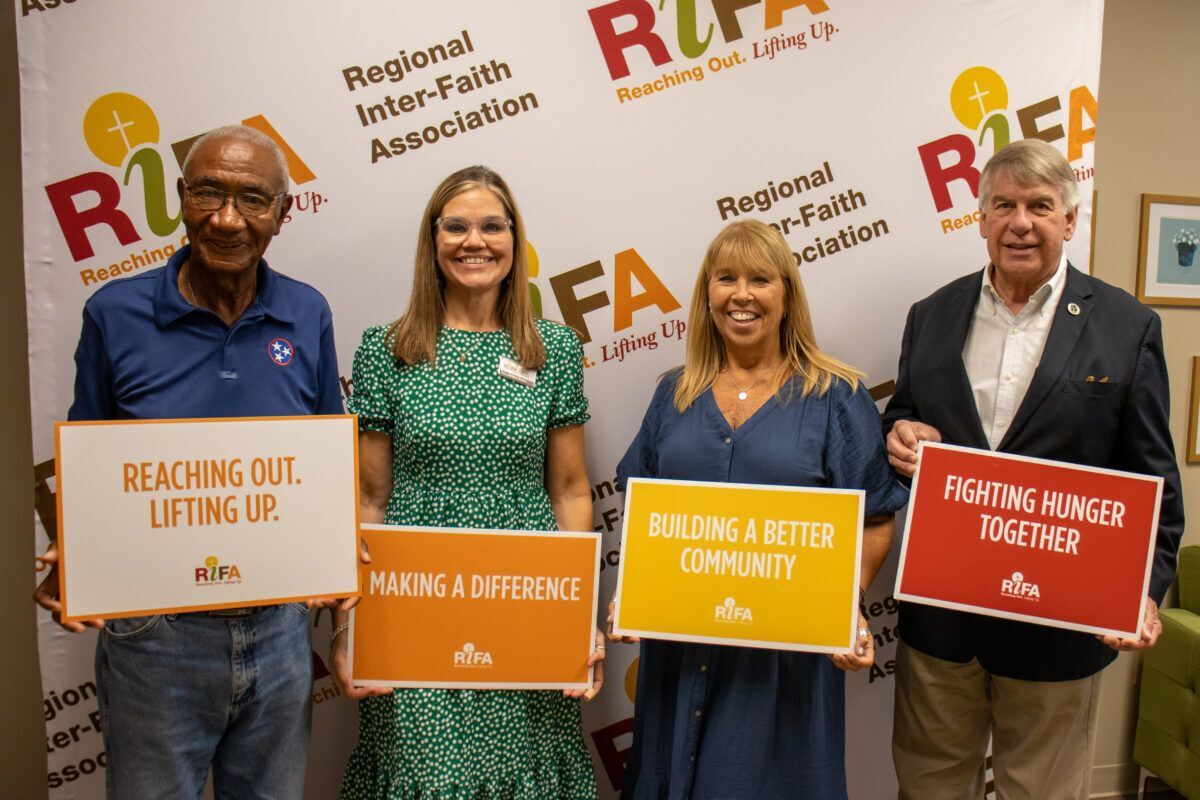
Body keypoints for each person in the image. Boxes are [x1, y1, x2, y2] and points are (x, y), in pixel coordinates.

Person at [32, 125, 344, 798]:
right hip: (155, 639)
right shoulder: (115, 313)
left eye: (253, 199)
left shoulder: (307, 312)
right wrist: (74, 551)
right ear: (180, 198)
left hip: (281, 629)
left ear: (281, 216)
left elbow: (326, 457)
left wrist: (339, 548)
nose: (228, 219)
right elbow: (91, 458)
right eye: (209, 192)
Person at [883, 138, 1184, 800]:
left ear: (1070, 220)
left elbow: (1155, 480)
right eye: (1004, 205)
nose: (1021, 222)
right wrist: (899, 435)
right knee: (928, 787)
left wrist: (1144, 588)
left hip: (1061, 625)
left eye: (1041, 206)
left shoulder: (1126, 327)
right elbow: (903, 416)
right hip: (942, 622)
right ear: (981, 217)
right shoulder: (931, 316)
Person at [330, 165, 604, 798]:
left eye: (491, 226)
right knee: (427, 773)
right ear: (432, 242)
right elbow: (367, 498)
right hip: (414, 598)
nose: (473, 241)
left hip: (526, 595)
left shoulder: (553, 349)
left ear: (514, 241)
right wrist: (349, 629)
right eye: (455, 226)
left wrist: (576, 615)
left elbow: (568, 489)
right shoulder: (386, 348)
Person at [612, 219, 907, 799]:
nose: (740, 294)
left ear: (787, 295)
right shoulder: (672, 393)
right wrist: (635, 589)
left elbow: (874, 519)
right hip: (680, 648)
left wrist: (844, 605)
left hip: (785, 660)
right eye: (725, 278)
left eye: (759, 279)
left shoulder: (836, 395)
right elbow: (645, 509)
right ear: (707, 295)